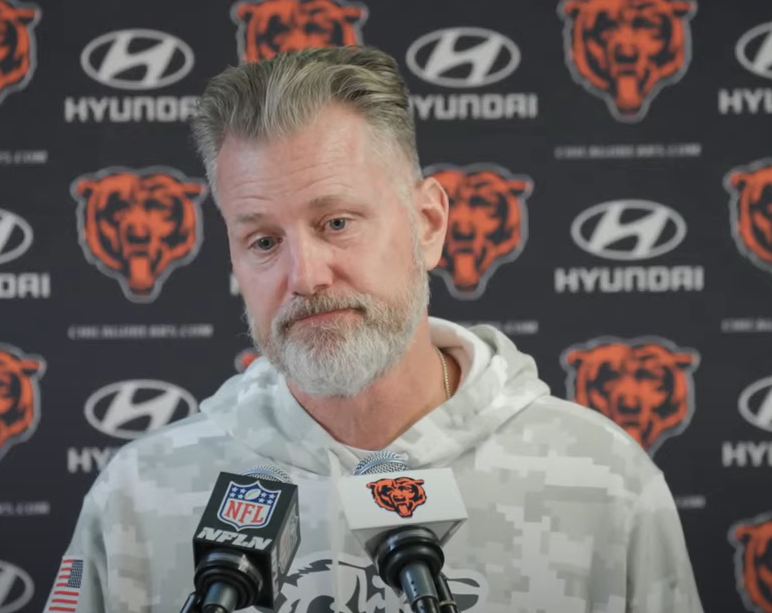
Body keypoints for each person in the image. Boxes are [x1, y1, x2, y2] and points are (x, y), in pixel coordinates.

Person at [44, 46, 704, 613]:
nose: (304, 275)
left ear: (428, 224)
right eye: (263, 239)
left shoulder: (600, 480)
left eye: (336, 222)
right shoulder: (136, 494)